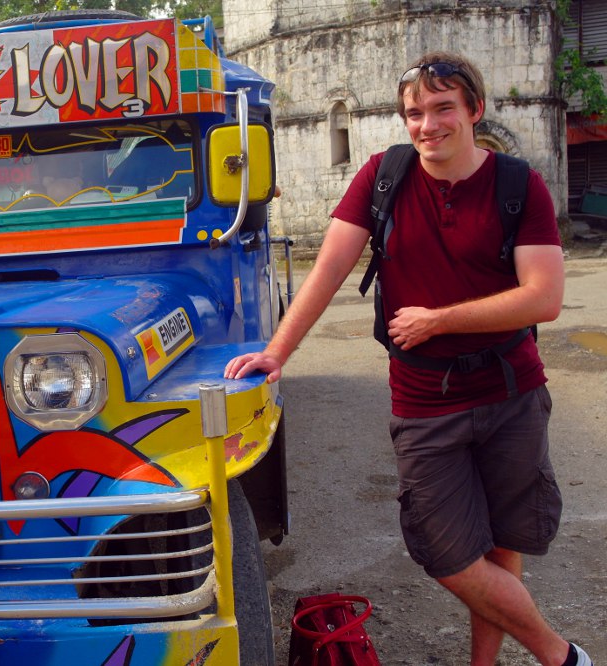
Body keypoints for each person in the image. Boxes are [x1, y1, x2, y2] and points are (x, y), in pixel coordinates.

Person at [225, 52, 594, 666]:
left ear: (474, 111)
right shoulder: (384, 176)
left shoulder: (517, 184)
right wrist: (276, 351)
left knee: (502, 546)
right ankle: (562, 657)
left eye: (443, 108)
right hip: (424, 399)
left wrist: (440, 319)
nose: (428, 125)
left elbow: (544, 298)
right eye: (414, 113)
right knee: (447, 554)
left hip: (510, 391)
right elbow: (329, 269)